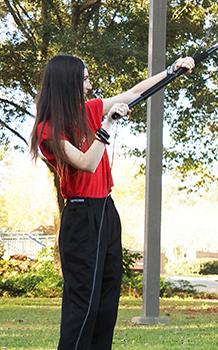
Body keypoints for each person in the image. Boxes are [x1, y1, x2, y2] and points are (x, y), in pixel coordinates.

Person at [29, 54, 195, 349]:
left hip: (106, 210)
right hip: (81, 216)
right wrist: (106, 125)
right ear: (69, 83)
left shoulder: (88, 110)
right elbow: (86, 162)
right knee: (84, 305)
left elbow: (133, 93)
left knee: (107, 302)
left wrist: (171, 71)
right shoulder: (48, 129)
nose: (90, 86)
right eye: (85, 79)